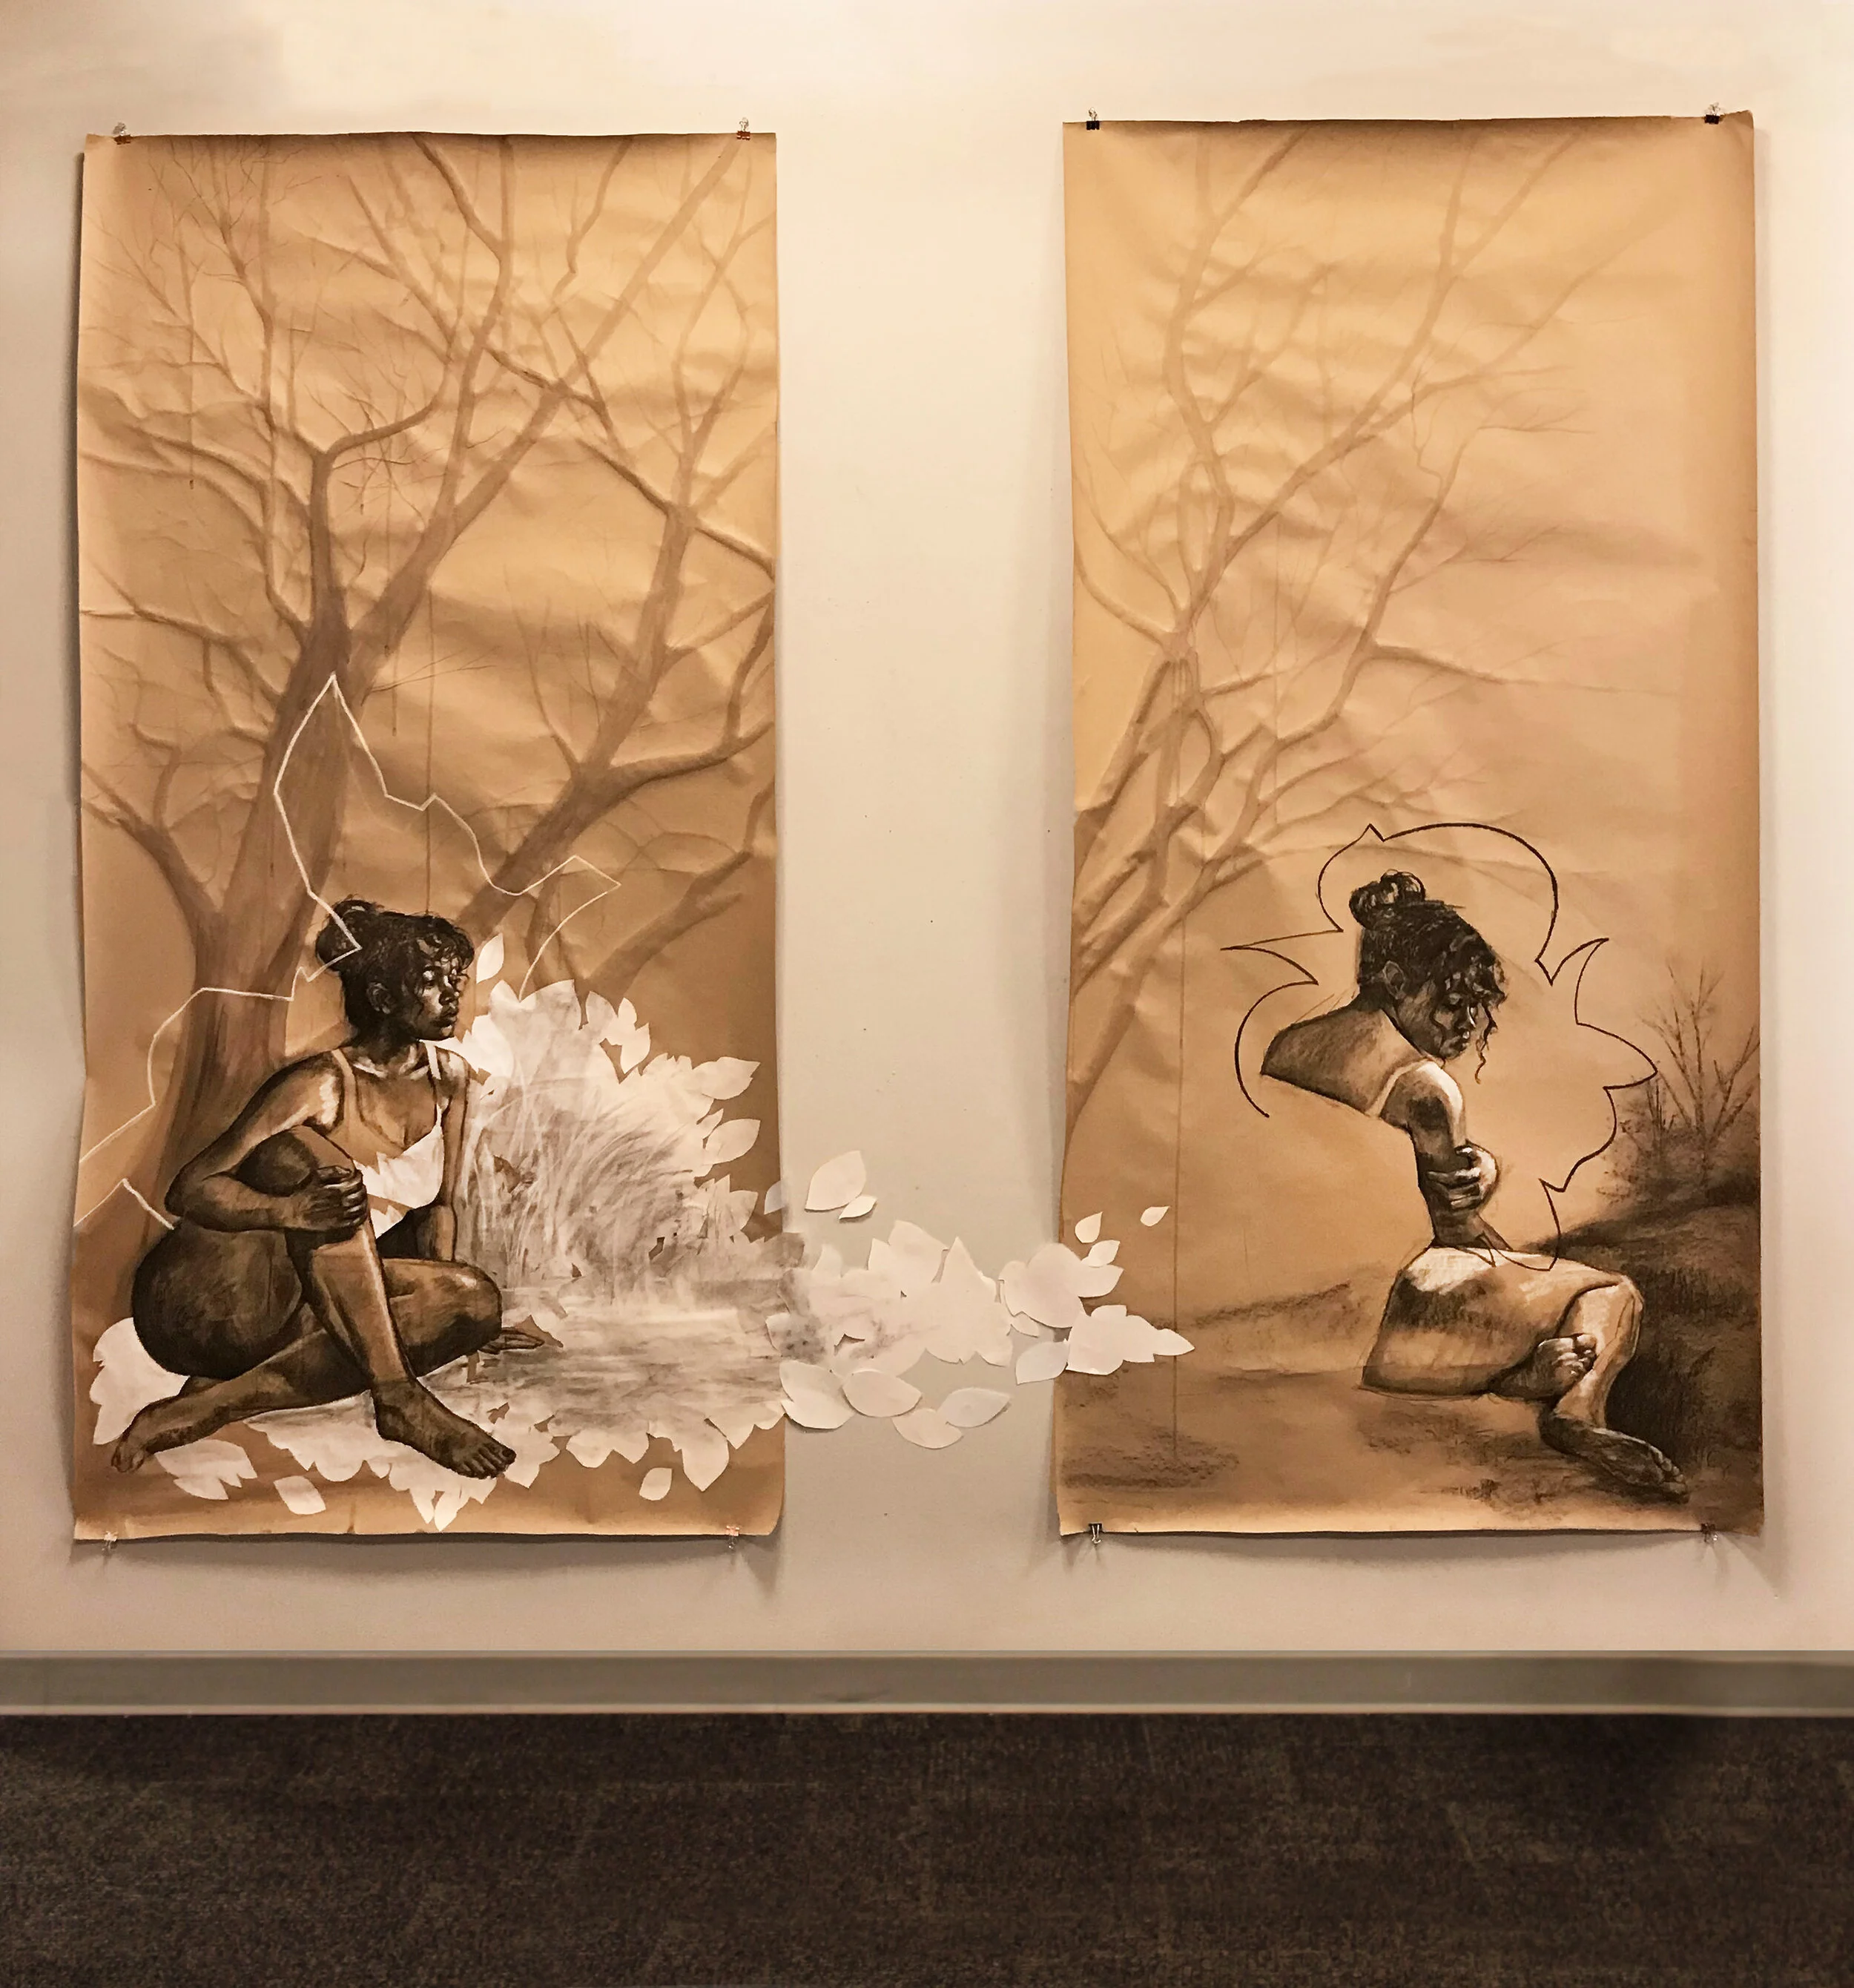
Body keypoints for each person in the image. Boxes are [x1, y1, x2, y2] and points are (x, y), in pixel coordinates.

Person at [1261, 870, 1685, 1498]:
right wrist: (1484, 1179)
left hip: (1300, 1305)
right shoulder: (1424, 1089)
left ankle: (1520, 1376)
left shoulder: (1285, 1047)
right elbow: (1457, 1235)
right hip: (1397, 1317)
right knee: (1613, 1293)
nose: (1468, 1024)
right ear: (1396, 982)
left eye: (1476, 1007)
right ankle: (1573, 1411)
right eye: (1452, 1003)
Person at [114, 899, 542, 1481]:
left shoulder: (451, 1080)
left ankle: (214, 1404)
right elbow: (190, 1189)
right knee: (311, 1162)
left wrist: (443, 1317)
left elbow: (439, 1207)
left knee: (476, 1301)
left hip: (317, 1301)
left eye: (456, 979)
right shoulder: (320, 1083)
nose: (452, 995)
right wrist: (287, 1210)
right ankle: (398, 1398)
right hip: (212, 1299)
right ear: (383, 998)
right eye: (430, 980)